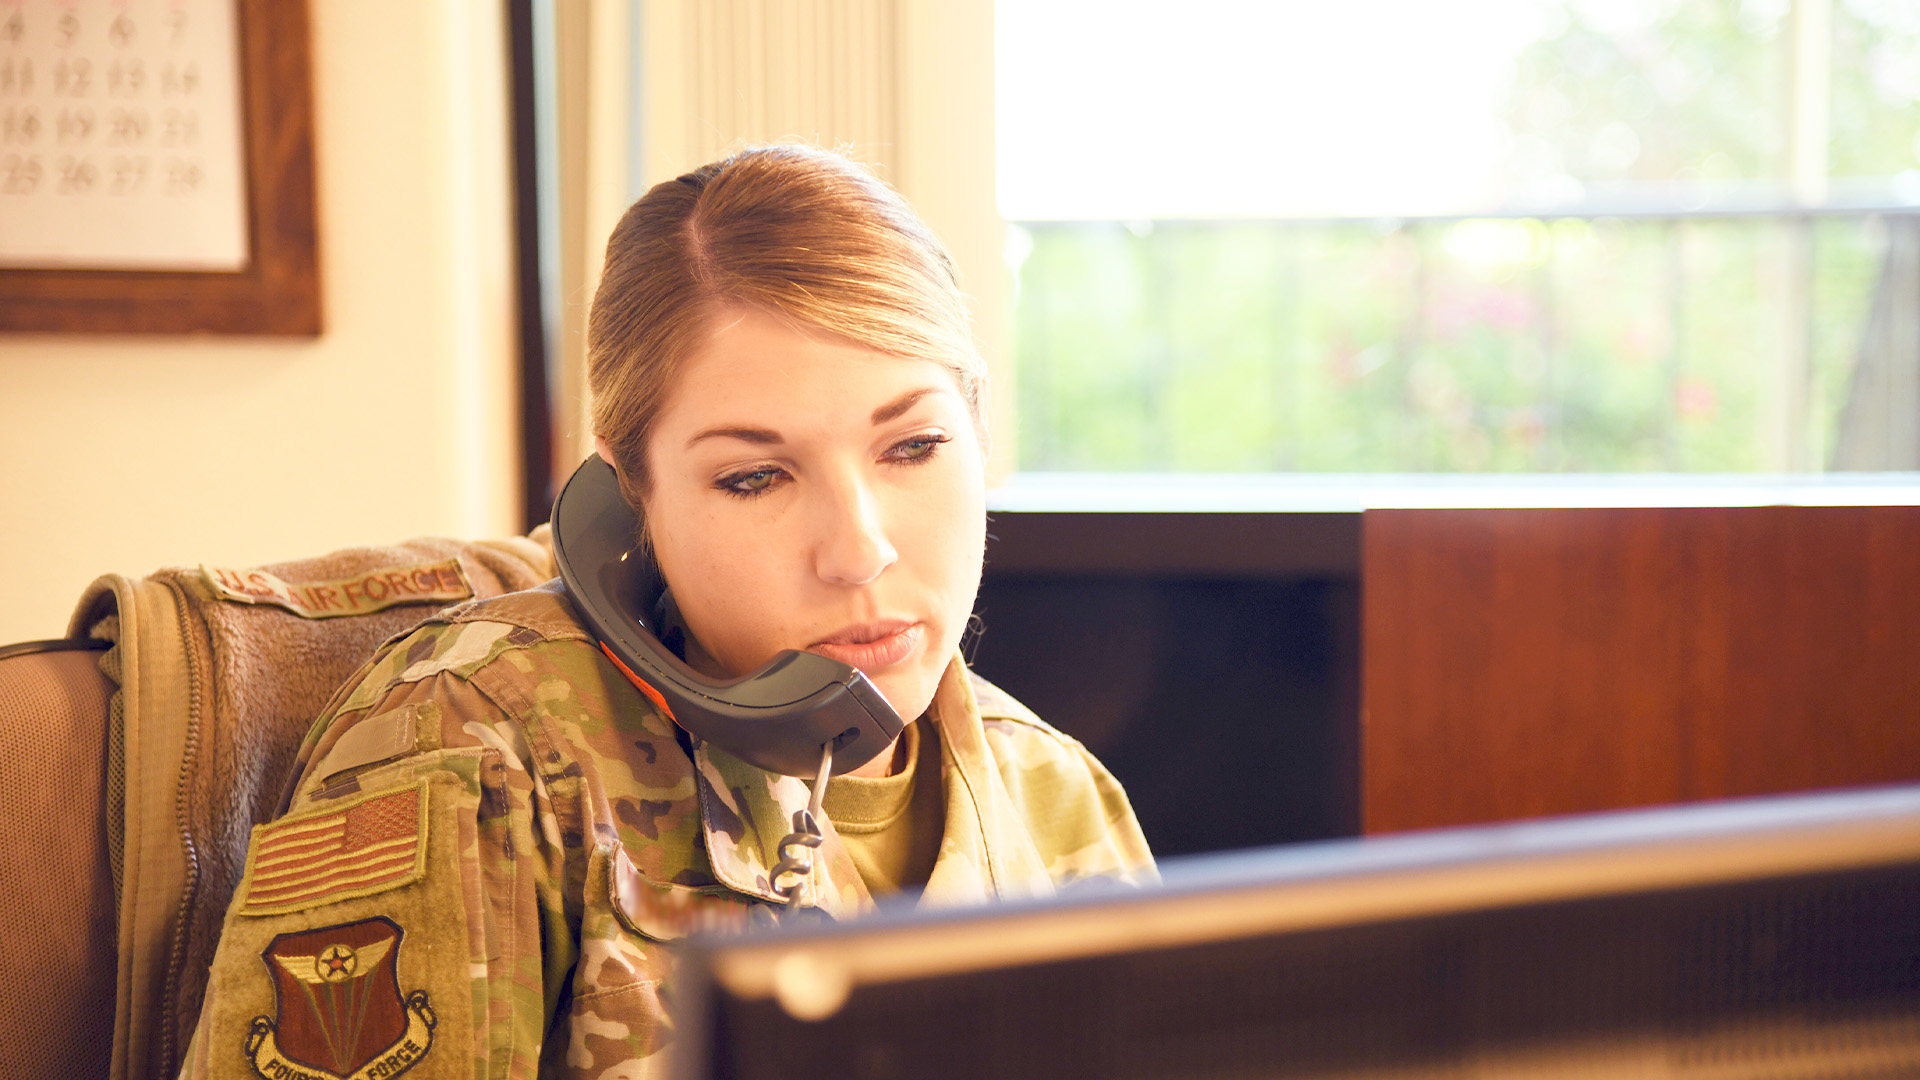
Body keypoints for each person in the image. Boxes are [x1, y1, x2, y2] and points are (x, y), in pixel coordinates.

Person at [179, 145, 1155, 1080]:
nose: (860, 548)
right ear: (634, 491)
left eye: (912, 448)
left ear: (979, 433)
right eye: (755, 477)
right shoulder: (476, 748)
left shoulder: (1057, 792)